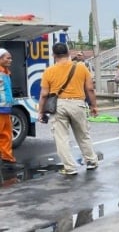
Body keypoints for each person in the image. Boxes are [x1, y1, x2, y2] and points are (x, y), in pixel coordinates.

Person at [38, 42, 99, 175]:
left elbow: (43, 95)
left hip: (58, 106)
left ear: (54, 55)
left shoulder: (49, 71)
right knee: (83, 135)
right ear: (68, 53)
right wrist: (94, 105)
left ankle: (70, 168)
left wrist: (41, 111)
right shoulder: (81, 67)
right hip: (78, 104)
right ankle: (91, 161)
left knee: (61, 138)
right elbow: (90, 89)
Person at [0, 48, 17, 170]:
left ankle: (7, 157)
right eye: (8, 58)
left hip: (6, 110)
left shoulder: (6, 72)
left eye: (10, 58)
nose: (10, 60)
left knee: (7, 134)